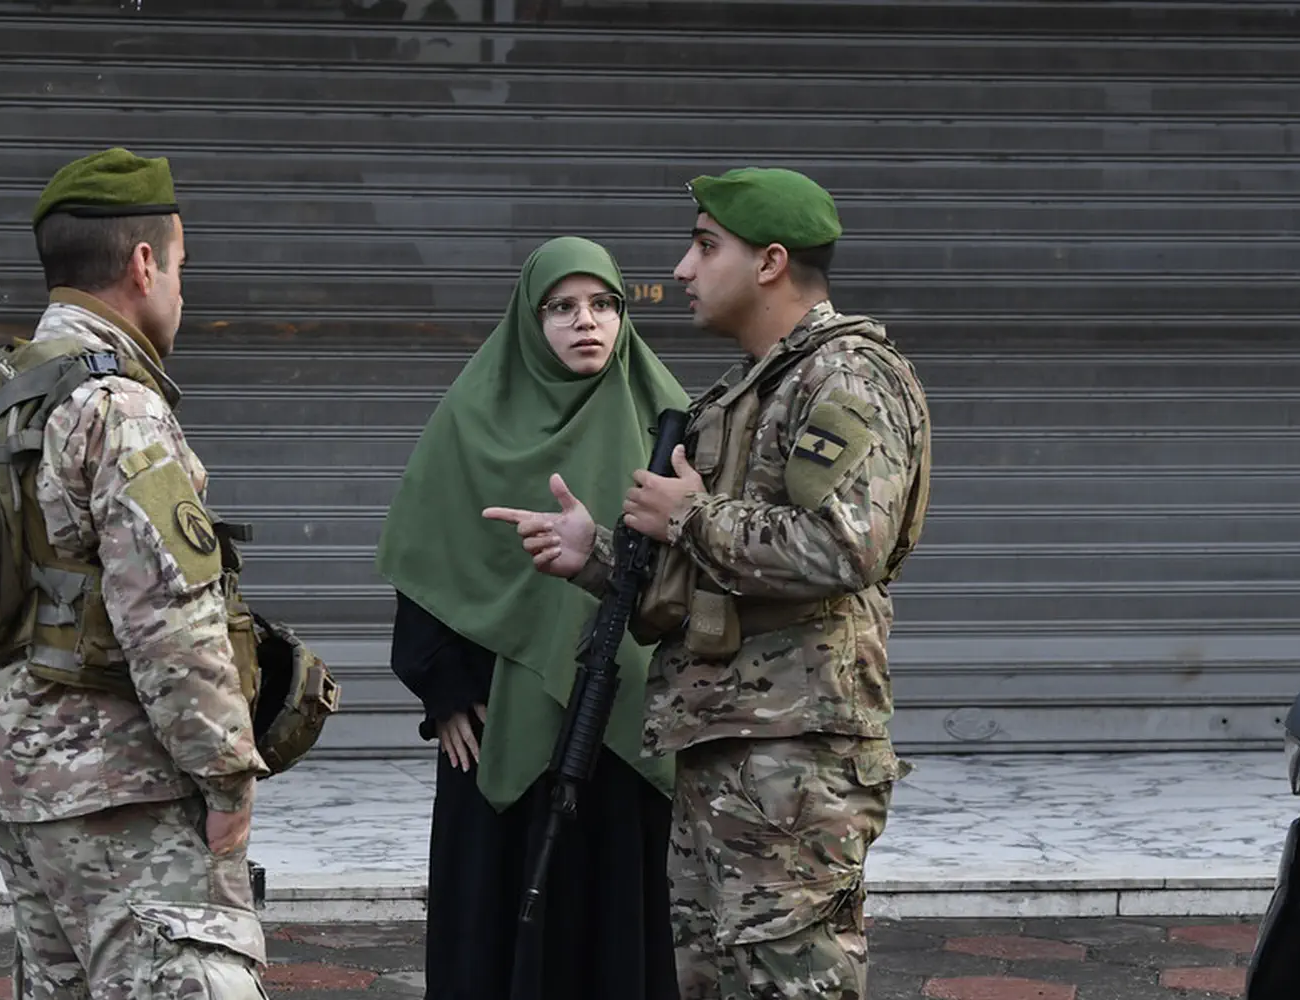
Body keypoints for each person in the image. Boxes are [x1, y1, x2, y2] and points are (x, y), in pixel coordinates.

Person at [482, 169, 932, 1000]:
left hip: (793, 761)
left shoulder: (846, 377)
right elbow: (714, 576)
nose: (682, 270)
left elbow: (846, 548)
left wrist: (690, 516)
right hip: (720, 751)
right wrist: (600, 557)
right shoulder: (745, 390)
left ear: (768, 262)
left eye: (703, 246)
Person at [0, 147, 270, 999]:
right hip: (118, 791)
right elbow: (172, 619)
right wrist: (226, 777)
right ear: (144, 264)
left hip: (16, 783)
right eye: (180, 267)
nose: (182, 289)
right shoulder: (120, 407)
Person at [375, 236, 692, 1000]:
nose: (587, 323)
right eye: (562, 307)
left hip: (623, 711)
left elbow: (699, 568)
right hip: (498, 716)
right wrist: (441, 690)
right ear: (529, 317)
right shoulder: (470, 418)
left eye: (604, 304)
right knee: (498, 913)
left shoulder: (670, 422)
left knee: (616, 915)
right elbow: (428, 555)